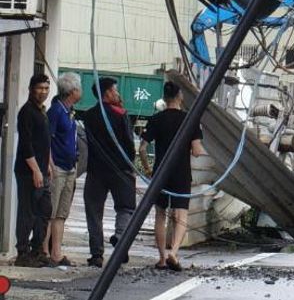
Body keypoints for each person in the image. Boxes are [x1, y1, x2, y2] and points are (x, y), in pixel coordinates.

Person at [139, 82, 203, 270]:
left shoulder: (156, 119)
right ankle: (173, 253)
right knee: (181, 214)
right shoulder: (190, 119)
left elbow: (142, 149)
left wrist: (147, 169)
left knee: (160, 214)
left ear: (165, 98)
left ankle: (161, 258)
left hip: (161, 172)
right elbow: (197, 151)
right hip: (181, 173)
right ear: (180, 96)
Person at [79, 76, 137, 269]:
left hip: (95, 171)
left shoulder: (88, 116)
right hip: (120, 170)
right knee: (126, 208)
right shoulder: (121, 114)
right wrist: (130, 165)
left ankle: (96, 254)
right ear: (108, 93)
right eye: (115, 90)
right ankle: (120, 237)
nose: (117, 93)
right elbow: (129, 144)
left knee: (94, 211)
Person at [12, 74, 53, 266]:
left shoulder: (42, 111)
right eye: (39, 88)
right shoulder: (26, 112)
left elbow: (43, 142)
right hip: (27, 172)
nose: (43, 92)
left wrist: (47, 165)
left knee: (44, 210)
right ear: (31, 89)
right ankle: (22, 253)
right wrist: (36, 170)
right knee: (27, 212)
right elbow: (26, 145)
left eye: (46, 88)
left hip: (42, 170)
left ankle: (37, 250)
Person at [45, 73, 83, 267]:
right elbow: (47, 140)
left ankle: (56, 252)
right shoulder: (56, 111)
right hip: (57, 167)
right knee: (50, 212)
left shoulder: (70, 112)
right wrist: (49, 164)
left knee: (61, 213)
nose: (81, 91)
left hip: (70, 167)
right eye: (79, 88)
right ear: (72, 91)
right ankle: (44, 251)